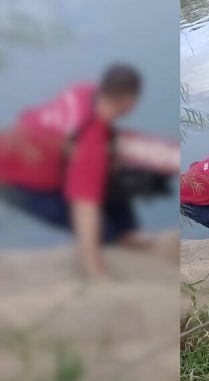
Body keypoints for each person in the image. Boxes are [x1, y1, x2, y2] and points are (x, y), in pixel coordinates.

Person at [0, 64, 144, 279]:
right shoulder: (89, 147)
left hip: (21, 149)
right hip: (15, 180)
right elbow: (84, 207)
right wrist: (95, 271)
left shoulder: (84, 91)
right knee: (103, 232)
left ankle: (125, 235)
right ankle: (112, 243)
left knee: (114, 172)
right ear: (129, 101)